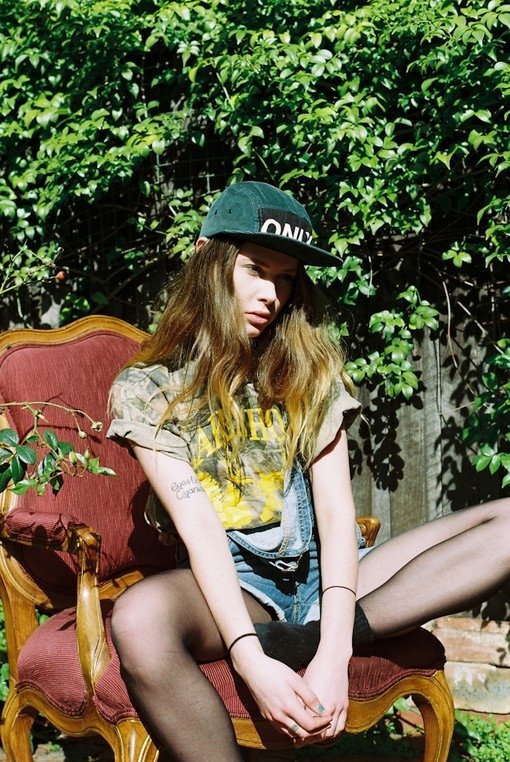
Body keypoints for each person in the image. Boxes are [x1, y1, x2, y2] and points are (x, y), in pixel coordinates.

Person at [107, 181, 510, 762]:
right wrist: (251, 659)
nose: (270, 293)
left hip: (327, 579)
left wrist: (332, 650)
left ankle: (310, 636)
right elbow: (200, 532)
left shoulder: (307, 371)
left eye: (286, 277)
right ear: (207, 258)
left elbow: (337, 515)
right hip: (240, 590)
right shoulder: (150, 389)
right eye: (254, 270)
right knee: (139, 617)